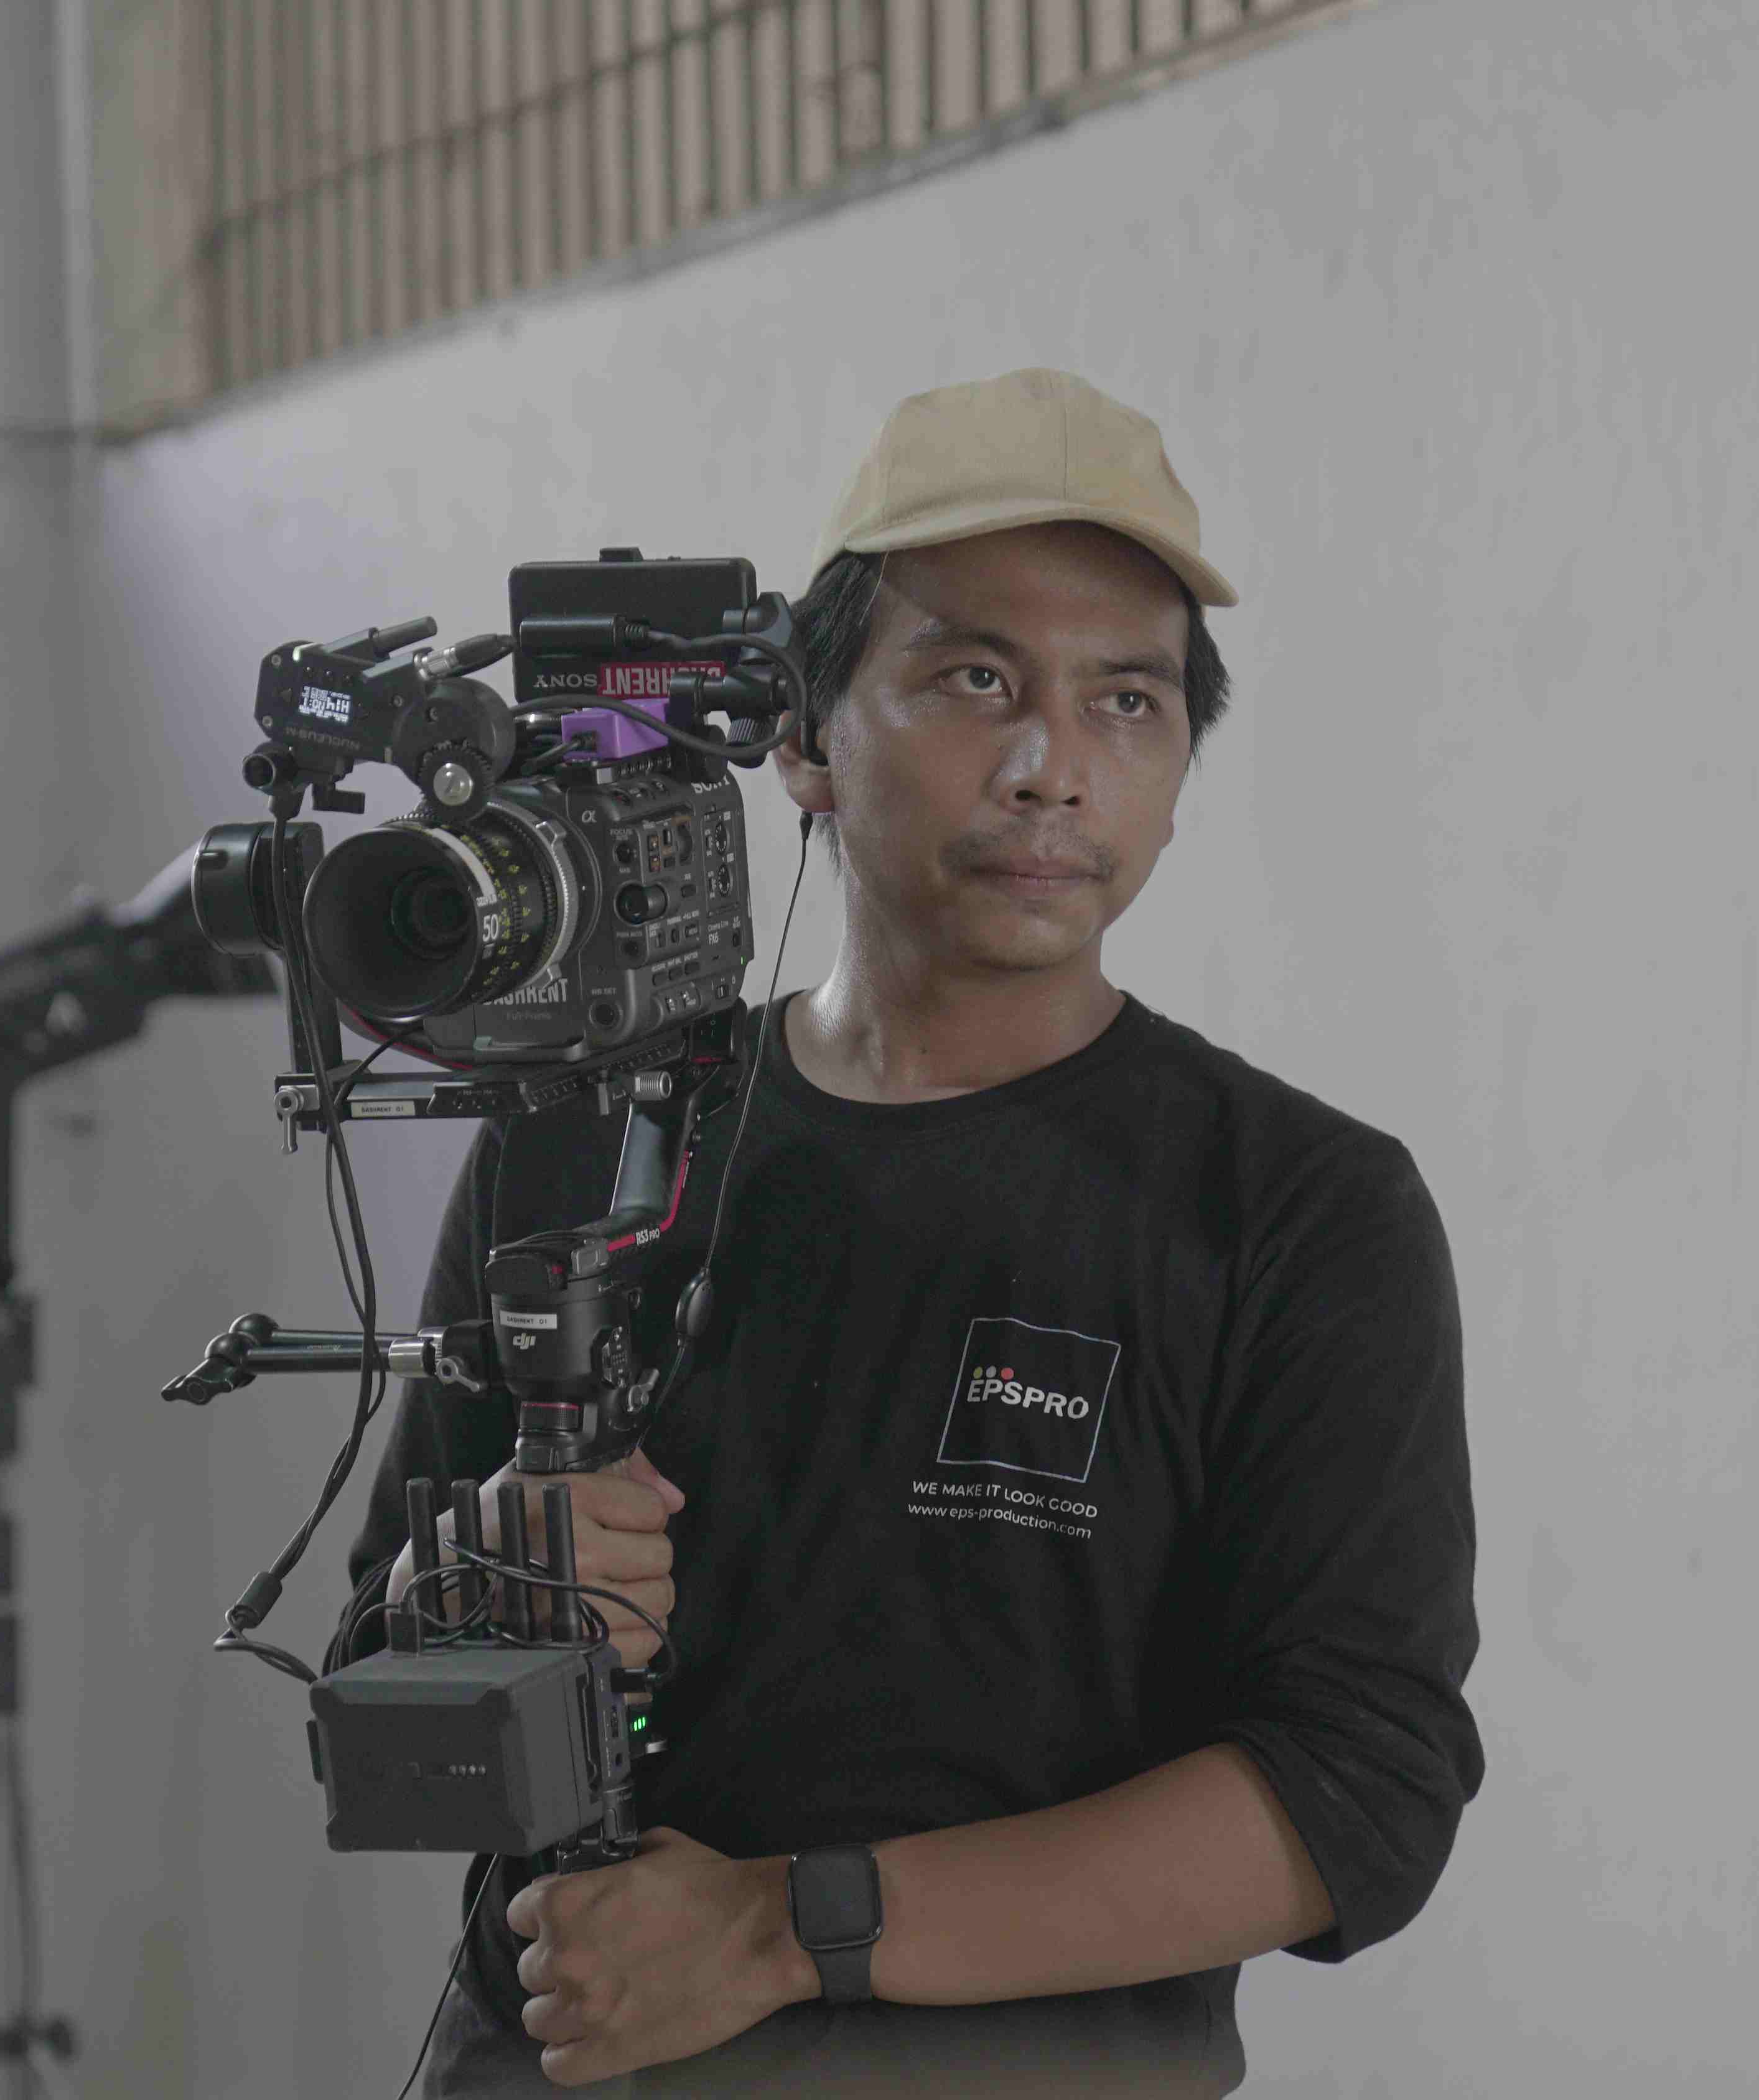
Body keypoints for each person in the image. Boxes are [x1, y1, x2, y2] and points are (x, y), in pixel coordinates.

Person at [330, 366, 1481, 2096]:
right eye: (973, 682)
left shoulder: (1296, 1210)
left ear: (1179, 771)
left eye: (1128, 704)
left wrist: (783, 1929)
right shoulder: (585, 1133)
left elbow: (1361, 1789)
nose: (1050, 770)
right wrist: (479, 1582)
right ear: (804, 740)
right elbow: (370, 1679)